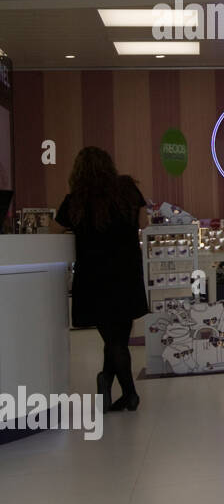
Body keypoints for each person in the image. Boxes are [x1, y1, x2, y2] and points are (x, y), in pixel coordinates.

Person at [49, 147, 149, 412]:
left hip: (95, 278)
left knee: (112, 339)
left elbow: (53, 230)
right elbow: (145, 223)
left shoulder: (76, 201)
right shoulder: (127, 190)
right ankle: (116, 386)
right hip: (127, 274)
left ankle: (124, 390)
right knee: (119, 338)